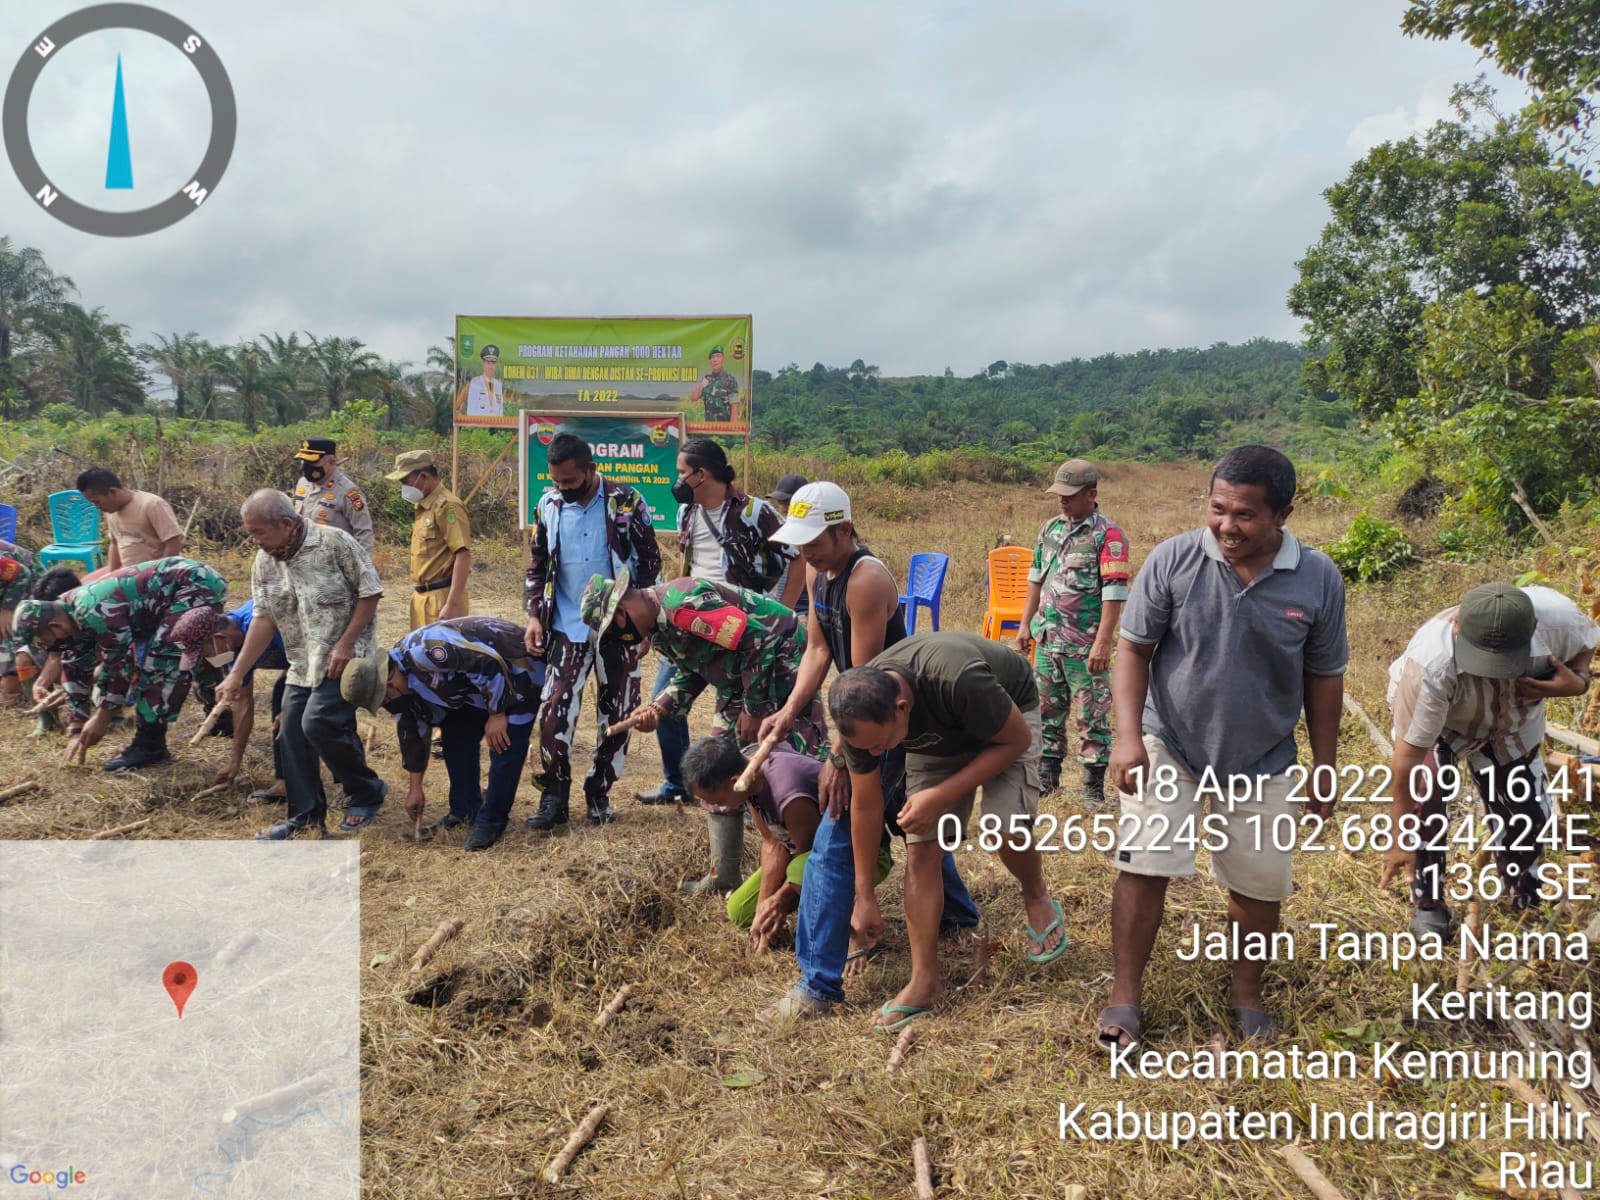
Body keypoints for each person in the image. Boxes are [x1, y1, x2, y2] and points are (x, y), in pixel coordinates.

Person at [1101, 445, 1347, 1050]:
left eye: (1246, 515)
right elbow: (1132, 649)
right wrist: (1128, 738)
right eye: (1218, 509)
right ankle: (1125, 997)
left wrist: (1325, 765)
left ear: (1284, 514)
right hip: (1170, 740)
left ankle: (1246, 995)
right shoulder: (1174, 560)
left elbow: (1325, 677)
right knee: (1145, 866)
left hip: (1262, 754)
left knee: (1259, 883)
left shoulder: (1317, 578)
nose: (1227, 527)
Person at [755, 482, 980, 1022]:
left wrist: (838, 754)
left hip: (889, 719)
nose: (805, 552)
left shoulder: (867, 579)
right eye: (800, 541)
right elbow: (816, 650)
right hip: (865, 714)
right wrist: (788, 712)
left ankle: (816, 985)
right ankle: (957, 915)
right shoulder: (817, 572)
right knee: (906, 822)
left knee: (840, 832)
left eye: (816, 540)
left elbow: (861, 675)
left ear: (845, 530)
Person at [829, 632, 1067, 1033]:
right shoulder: (861, 722)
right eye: (867, 748)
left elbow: (1016, 741)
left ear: (903, 708)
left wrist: (940, 796)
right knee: (922, 851)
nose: (875, 755)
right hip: (936, 741)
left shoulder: (957, 676)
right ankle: (924, 983)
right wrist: (864, 894)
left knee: (1004, 832)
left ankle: (1036, 894)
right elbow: (866, 805)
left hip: (1006, 718)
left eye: (881, 745)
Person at [581, 567, 824, 881]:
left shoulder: (685, 607)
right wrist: (659, 708)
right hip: (740, 677)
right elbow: (697, 668)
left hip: (781, 659)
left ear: (622, 614)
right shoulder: (659, 627)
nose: (623, 641)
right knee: (717, 769)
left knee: (799, 751)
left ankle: (820, 859)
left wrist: (754, 707)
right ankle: (724, 876)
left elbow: (759, 642)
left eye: (615, 633)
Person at [1381, 583, 1597, 935]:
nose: (1494, 670)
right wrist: (1398, 836)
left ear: (1533, 631)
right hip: (1443, 722)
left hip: (1513, 721)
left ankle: (1523, 898)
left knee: (1526, 811)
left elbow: (1587, 642)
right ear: (1457, 628)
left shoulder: (1561, 621)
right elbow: (1406, 760)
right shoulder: (1430, 663)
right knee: (1428, 795)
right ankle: (1428, 900)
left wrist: (1578, 683)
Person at [214, 489, 386, 840]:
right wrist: (236, 673)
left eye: (259, 532)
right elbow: (264, 618)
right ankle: (306, 818)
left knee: (318, 722)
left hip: (346, 658)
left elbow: (370, 592)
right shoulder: (264, 563)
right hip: (302, 662)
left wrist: (346, 643)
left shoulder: (334, 542)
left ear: (286, 523)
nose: (255, 540)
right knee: (291, 730)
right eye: (251, 533)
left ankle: (366, 789)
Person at [635, 438, 791, 808]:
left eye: (682, 473)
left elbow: (795, 556)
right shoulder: (687, 514)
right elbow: (684, 568)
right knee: (665, 705)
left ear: (701, 474)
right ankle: (679, 783)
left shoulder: (756, 511)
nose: (677, 480)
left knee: (746, 719)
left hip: (736, 629)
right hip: (687, 623)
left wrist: (779, 608)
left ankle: (748, 794)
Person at [523, 433, 660, 832]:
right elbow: (536, 567)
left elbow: (649, 563)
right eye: (556, 481)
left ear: (590, 469)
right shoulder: (547, 505)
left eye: (569, 481)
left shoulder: (626, 502)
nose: (562, 489)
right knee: (553, 710)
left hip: (618, 627)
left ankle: (599, 793)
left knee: (619, 713)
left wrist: (646, 626)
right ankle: (554, 797)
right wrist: (534, 616)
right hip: (566, 626)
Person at [344, 617, 545, 851]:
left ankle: (491, 821)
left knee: (504, 745)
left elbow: (488, 662)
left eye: (384, 698)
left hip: (518, 669)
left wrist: (497, 714)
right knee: (455, 737)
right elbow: (412, 729)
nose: (387, 704)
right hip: (478, 690)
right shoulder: (402, 682)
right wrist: (415, 788)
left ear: (389, 680)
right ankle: (464, 810)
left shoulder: (426, 650)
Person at [11, 556, 228, 771]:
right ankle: (224, 718)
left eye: (44, 641)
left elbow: (119, 667)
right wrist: (77, 726)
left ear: (55, 625)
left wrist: (102, 717)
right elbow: (75, 666)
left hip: (195, 584)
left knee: (164, 661)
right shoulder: (68, 615)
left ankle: (149, 745)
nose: (48, 648)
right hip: (170, 595)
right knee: (189, 653)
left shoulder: (94, 610)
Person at [681, 736, 894, 945]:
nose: (722, 808)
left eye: (718, 801)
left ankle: (850, 932)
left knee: (798, 873)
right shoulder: (749, 771)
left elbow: (814, 858)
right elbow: (773, 843)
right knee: (740, 911)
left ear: (735, 783)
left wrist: (780, 902)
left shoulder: (789, 793)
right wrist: (762, 910)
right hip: (805, 858)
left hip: (861, 855)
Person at [1016, 459, 1131, 803]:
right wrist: (1025, 624)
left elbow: (1114, 593)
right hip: (1049, 640)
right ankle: (1048, 780)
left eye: (1070, 495)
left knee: (1091, 714)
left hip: (1085, 646)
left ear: (1091, 494)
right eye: (1059, 495)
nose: (1062, 501)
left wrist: (1102, 642)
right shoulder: (1050, 529)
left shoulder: (1107, 536)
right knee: (1047, 710)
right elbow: (1036, 580)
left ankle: (1092, 787)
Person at [167, 602, 291, 793]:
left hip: (330, 649)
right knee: (282, 697)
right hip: (298, 663)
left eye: (206, 654)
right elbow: (243, 702)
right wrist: (235, 761)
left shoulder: (265, 622)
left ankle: (350, 784)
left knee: (314, 711)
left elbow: (313, 657)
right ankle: (287, 781)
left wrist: (294, 706)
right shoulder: (233, 646)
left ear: (220, 638)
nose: (208, 660)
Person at [387, 450, 471, 629]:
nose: (403, 487)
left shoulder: (448, 506)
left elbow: (462, 555)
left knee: (441, 654)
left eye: (406, 482)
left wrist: (452, 604)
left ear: (423, 476)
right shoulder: (424, 507)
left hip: (441, 599)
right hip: (422, 598)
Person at [75, 468, 183, 572]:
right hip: (128, 576)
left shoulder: (152, 505)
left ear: (112, 492)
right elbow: (115, 543)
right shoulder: (111, 511)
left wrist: (159, 575)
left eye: (97, 502)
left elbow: (174, 543)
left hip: (154, 575)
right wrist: (111, 577)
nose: (97, 507)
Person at [291, 437, 374, 556]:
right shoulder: (302, 483)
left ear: (332, 462)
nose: (306, 467)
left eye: (312, 462)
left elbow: (364, 533)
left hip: (334, 564)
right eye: (303, 461)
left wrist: (362, 569)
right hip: (304, 562)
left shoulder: (348, 492)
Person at [0, 542, 39, 708]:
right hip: (6, 585)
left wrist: (7, 609)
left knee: (8, 630)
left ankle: (16, 689)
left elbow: (22, 573)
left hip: (29, 581)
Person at [767, 473, 810, 613]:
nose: (783, 507)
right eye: (780, 502)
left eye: (788, 502)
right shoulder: (782, 530)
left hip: (805, 610)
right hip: (783, 604)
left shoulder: (812, 536)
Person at [687, 345, 739, 423]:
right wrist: (701, 386)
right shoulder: (707, 379)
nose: (715, 360)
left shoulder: (730, 380)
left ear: (723, 360)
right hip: (708, 429)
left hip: (724, 429)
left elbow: (734, 407)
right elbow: (693, 398)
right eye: (712, 357)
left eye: (718, 356)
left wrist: (731, 430)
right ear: (710, 361)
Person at [457, 344, 505, 418]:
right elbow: (464, 406)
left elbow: (500, 409)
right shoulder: (475, 382)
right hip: (478, 426)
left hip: (495, 425)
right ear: (483, 364)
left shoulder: (498, 385)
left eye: (493, 363)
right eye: (488, 363)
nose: (491, 367)